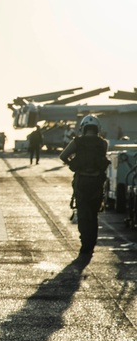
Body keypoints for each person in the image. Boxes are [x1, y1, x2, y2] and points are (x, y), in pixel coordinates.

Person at [60, 114, 110, 266]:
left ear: (83, 128)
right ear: (97, 128)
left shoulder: (77, 141)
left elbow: (63, 156)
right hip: (96, 183)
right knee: (93, 215)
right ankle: (91, 245)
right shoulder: (103, 143)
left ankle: (84, 245)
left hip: (82, 182)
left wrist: (73, 164)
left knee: (82, 214)